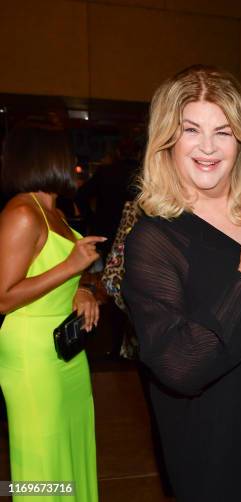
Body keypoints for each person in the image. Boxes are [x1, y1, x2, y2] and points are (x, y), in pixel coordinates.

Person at [121, 65, 241, 502]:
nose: (208, 147)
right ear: (168, 139)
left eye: (223, 132)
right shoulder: (155, 238)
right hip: (217, 450)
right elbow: (179, 365)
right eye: (192, 129)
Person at [0, 124, 105, 501]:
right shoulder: (22, 213)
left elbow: (53, 271)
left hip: (65, 350)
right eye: (66, 154)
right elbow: (2, 297)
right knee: (43, 462)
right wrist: (70, 268)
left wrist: (81, 289)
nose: (73, 162)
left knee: (71, 449)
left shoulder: (54, 212)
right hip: (32, 357)